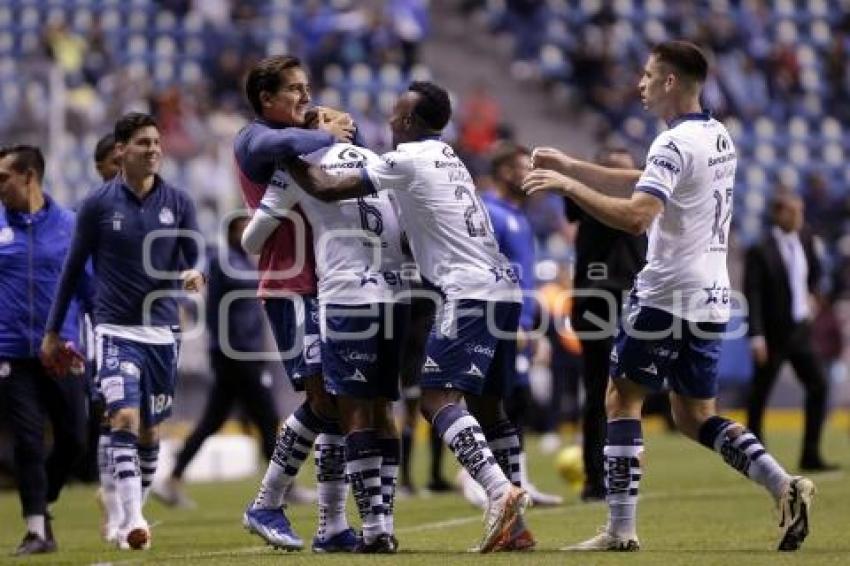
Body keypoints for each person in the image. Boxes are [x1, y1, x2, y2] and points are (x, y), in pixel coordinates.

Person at [524, 40, 814, 552]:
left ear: (670, 82)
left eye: (647, 74)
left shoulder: (672, 144)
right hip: (711, 293)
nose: (640, 83)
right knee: (693, 416)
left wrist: (567, 188)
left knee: (621, 399)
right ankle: (784, 485)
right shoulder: (717, 135)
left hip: (666, 292)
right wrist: (573, 165)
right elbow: (646, 181)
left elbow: (637, 215)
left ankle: (619, 529)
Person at [286, 80, 533, 553]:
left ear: (414, 123)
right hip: (503, 287)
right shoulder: (450, 158)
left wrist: (286, 152)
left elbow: (324, 185)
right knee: (489, 408)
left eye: (398, 116)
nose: (392, 122)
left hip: (468, 291)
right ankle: (517, 527)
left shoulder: (408, 158)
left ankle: (499, 492)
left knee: (435, 399)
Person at [43, 112, 205, 551]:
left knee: (151, 433)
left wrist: (194, 273)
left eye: (156, 142)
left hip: (162, 332)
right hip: (115, 329)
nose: (153, 149)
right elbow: (72, 268)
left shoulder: (179, 201)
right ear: (122, 150)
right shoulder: (97, 204)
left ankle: (134, 511)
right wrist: (53, 330)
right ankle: (131, 519)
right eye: (142, 143)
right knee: (122, 418)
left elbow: (194, 256)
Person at [243, 141, 410, 552]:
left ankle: (341, 524)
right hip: (362, 289)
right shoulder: (370, 159)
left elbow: (252, 238)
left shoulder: (303, 163)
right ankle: (295, 509)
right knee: (348, 406)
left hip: (335, 291)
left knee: (339, 406)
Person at [233, 54, 359, 553]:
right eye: (295, 90)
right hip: (290, 284)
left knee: (333, 402)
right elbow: (285, 142)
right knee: (323, 398)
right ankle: (267, 502)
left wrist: (336, 130)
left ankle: (331, 525)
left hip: (326, 283)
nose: (307, 98)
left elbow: (356, 146)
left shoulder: (303, 138)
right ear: (267, 99)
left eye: (308, 89)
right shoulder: (252, 138)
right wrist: (326, 129)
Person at [458, 142, 563, 508]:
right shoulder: (490, 212)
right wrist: (510, 321)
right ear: (504, 171)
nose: (530, 175)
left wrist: (531, 325)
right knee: (490, 400)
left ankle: (518, 480)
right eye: (523, 168)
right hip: (496, 320)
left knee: (514, 401)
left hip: (519, 321)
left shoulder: (519, 215)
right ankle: (474, 475)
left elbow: (524, 278)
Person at [153, 215, 280, 508]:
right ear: (231, 232)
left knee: (214, 420)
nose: (249, 233)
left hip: (240, 353)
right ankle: (280, 486)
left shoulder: (242, 262)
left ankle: (172, 478)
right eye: (243, 228)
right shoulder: (225, 262)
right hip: (235, 353)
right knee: (267, 415)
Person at [0, 145, 90, 556]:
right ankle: (36, 529)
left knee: (74, 438)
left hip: (63, 352)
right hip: (11, 354)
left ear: (29, 176)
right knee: (28, 440)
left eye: (4, 178)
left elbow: (91, 290)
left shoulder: (71, 225)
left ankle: (44, 501)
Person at [564, 146, 647, 501]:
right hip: (596, 304)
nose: (621, 181)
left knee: (629, 392)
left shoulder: (642, 206)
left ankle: (619, 471)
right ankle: (594, 479)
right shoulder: (586, 202)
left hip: (635, 302)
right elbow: (570, 203)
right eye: (612, 172)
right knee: (599, 391)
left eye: (626, 174)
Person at [744, 189, 836, 471]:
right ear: (778, 213)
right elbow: (754, 294)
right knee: (760, 395)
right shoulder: (760, 248)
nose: (799, 217)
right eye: (793, 211)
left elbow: (816, 272)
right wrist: (756, 336)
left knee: (819, 384)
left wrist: (813, 294)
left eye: (801, 211)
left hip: (800, 331)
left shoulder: (806, 238)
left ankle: (810, 453)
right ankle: (755, 458)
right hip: (772, 333)